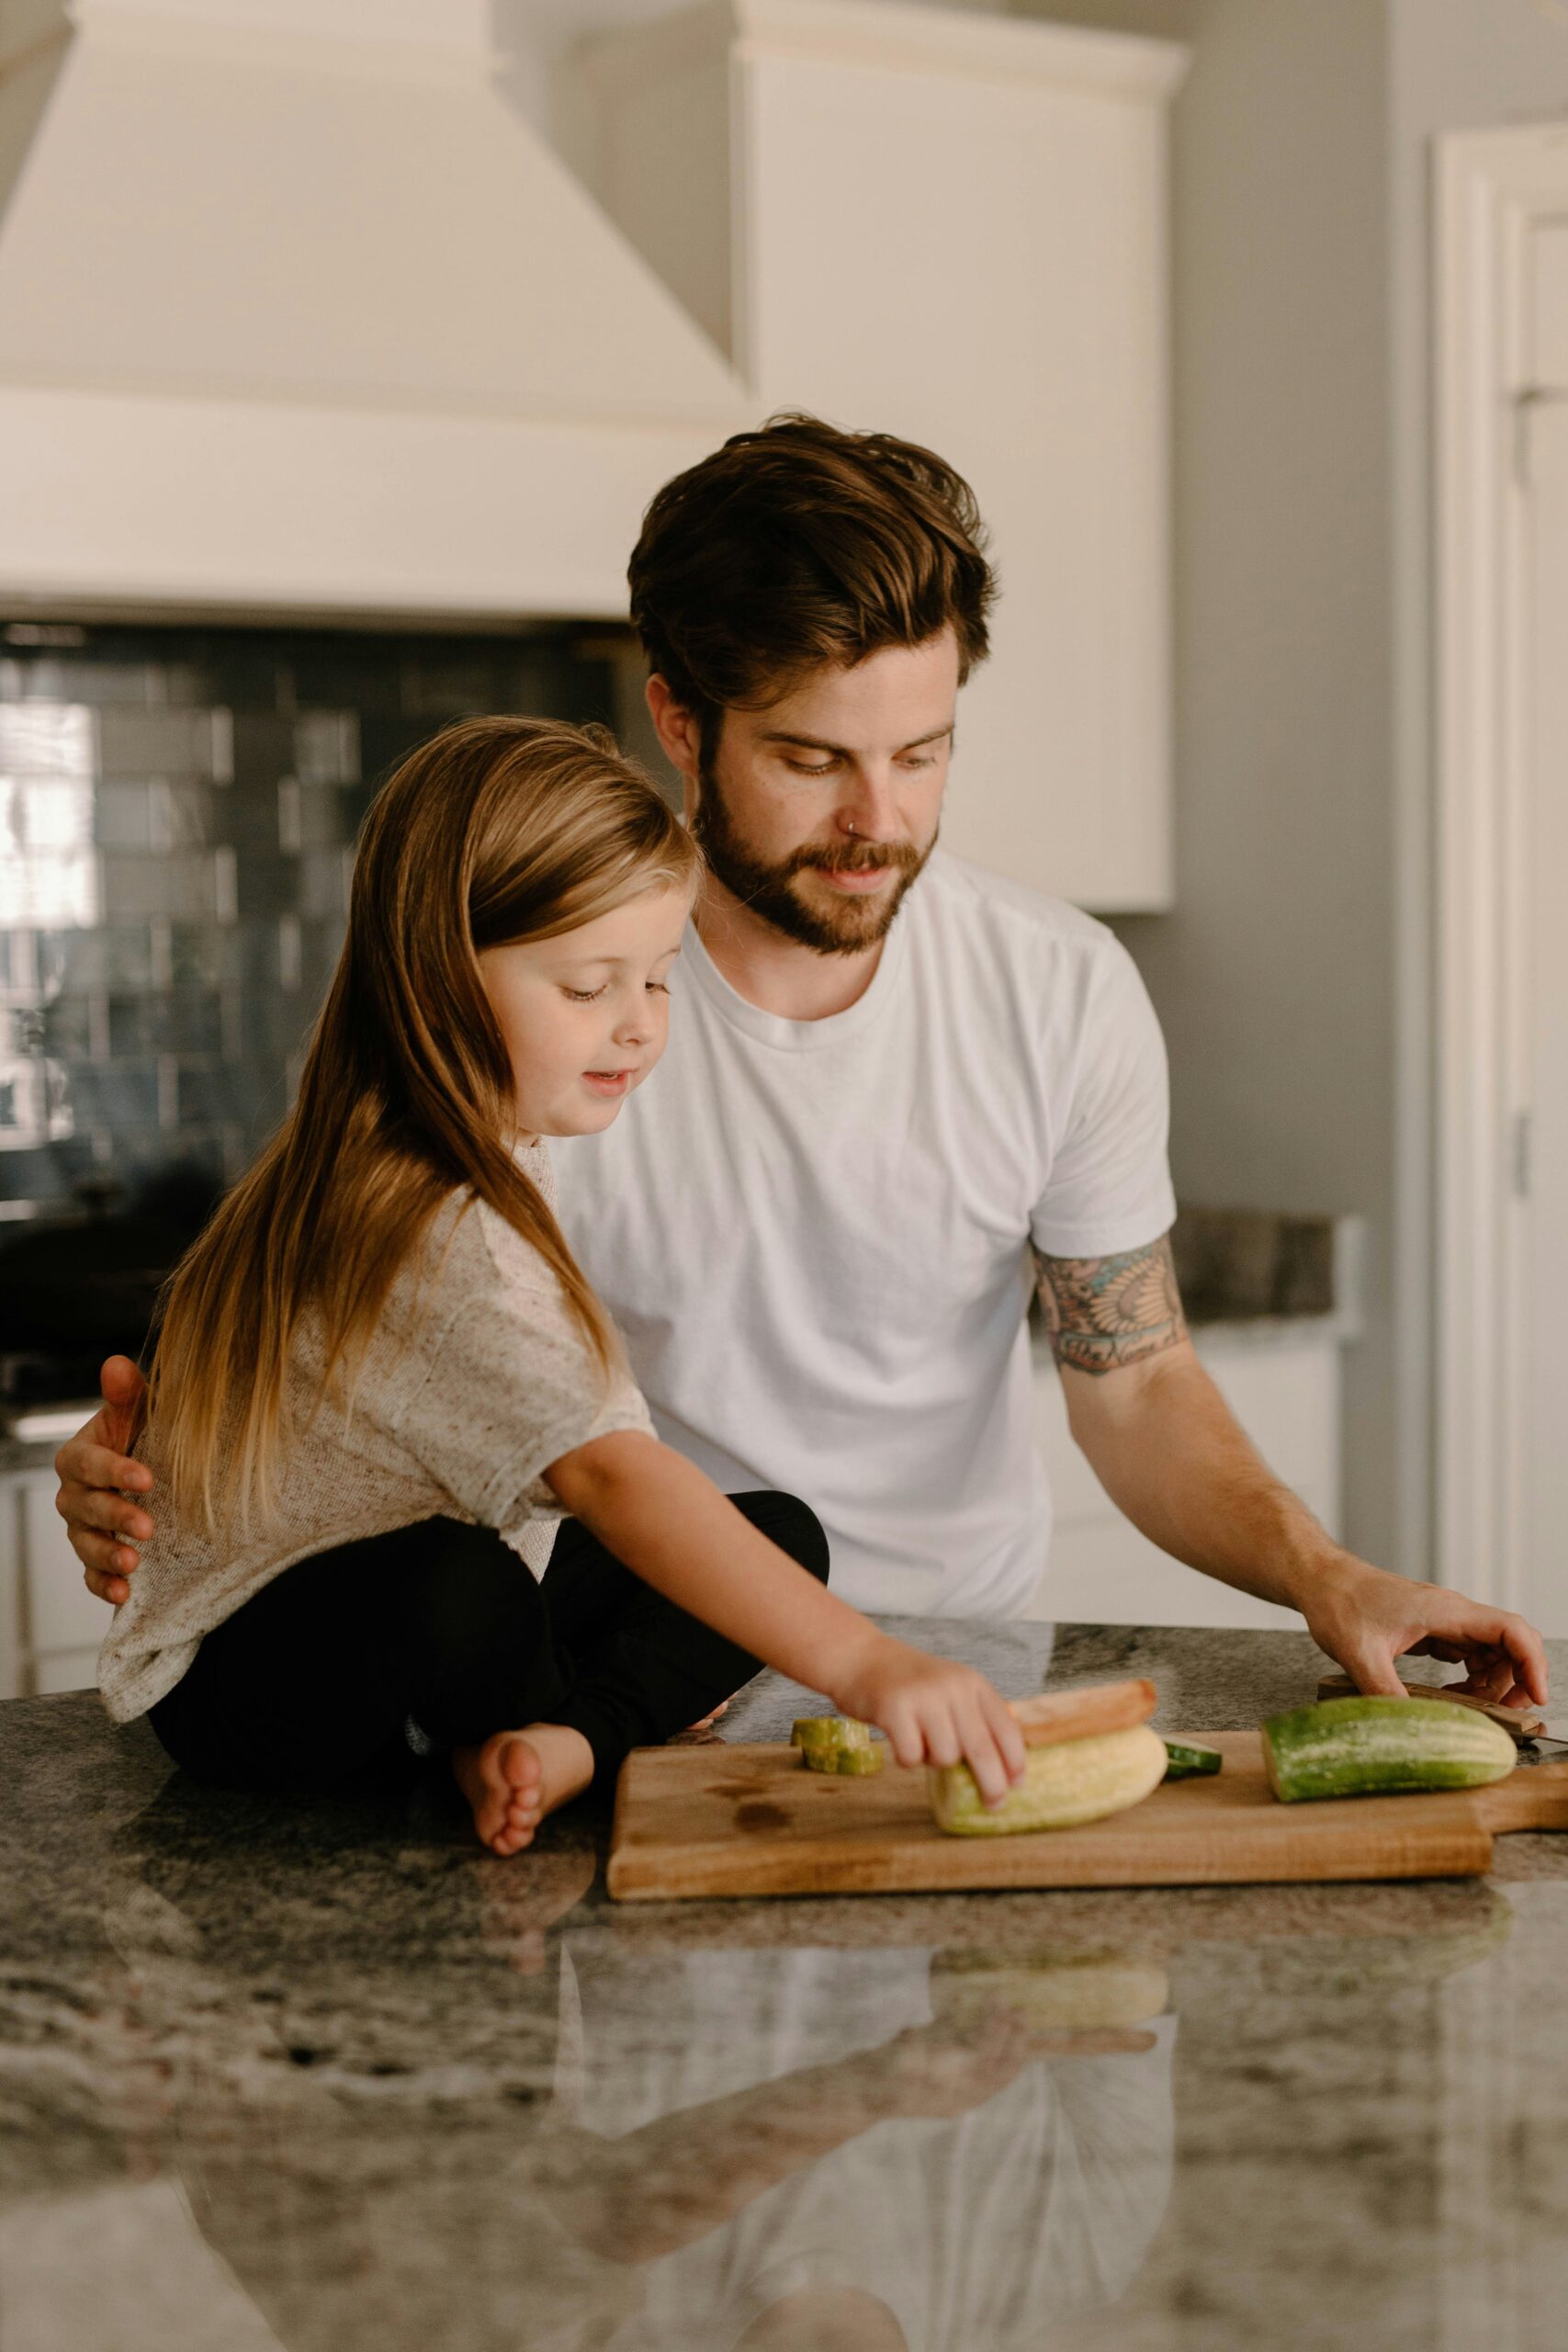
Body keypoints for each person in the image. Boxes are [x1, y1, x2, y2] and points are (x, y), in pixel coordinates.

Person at [59, 416, 1547, 1709]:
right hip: (630, 1688)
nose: (875, 823)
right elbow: (366, 1343)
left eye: (921, 752)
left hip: (958, 1673)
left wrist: (1324, 1575)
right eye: (811, 759)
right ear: (678, 722)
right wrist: (173, 1489)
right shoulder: (546, 1011)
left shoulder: (1060, 989)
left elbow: (1135, 1381)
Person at [91, 716, 1026, 1854]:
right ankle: (549, 1721)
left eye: (661, 978)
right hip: (258, 1686)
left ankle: (561, 1743)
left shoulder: (427, 1141)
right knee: (464, 1586)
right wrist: (870, 1663)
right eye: (589, 987)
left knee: (772, 1533)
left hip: (427, 1587)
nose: (638, 1025)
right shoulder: (439, 1229)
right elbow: (611, 1477)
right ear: (441, 975)